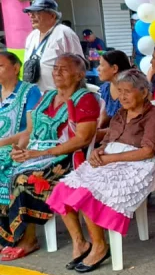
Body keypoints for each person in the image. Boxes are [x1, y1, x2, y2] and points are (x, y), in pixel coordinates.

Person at [48, 69, 155, 272]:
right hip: (110, 159)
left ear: (144, 92)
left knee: (87, 193)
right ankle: (80, 242)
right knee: (62, 187)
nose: (122, 96)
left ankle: (100, 246)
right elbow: (108, 140)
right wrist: (99, 151)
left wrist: (110, 158)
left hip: (137, 165)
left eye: (127, 91)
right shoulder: (120, 113)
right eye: (119, 91)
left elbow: (147, 152)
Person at [0, 54, 99, 261]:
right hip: (37, 154)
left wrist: (41, 153)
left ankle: (28, 239)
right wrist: (19, 149)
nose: (57, 72)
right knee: (6, 168)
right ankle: (9, 237)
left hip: (67, 158)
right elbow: (30, 130)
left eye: (64, 69)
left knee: (25, 179)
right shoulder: (47, 96)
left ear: (79, 74)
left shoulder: (85, 99)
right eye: (55, 68)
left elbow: (82, 139)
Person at [0, 52, 42, 208]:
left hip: (19, 147)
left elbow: (31, 129)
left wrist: (3, 142)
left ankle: (8, 224)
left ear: (16, 68)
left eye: (0, 66)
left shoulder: (30, 91)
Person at [22, 0, 84, 92]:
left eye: (37, 12)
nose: (31, 16)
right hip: (36, 96)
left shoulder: (64, 33)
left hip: (59, 96)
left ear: (52, 15)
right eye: (30, 13)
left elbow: (79, 65)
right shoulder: (32, 36)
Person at [96, 50, 133, 132]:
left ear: (114, 68)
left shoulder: (133, 92)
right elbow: (102, 119)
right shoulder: (104, 89)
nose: (98, 69)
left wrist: (97, 135)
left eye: (101, 65)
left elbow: (130, 126)